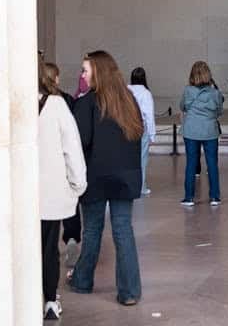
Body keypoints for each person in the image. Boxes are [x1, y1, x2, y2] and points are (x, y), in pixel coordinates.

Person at [69, 50, 143, 305]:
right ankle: (130, 290)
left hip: (97, 174)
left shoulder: (88, 102)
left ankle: (82, 280)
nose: (82, 75)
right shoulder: (128, 99)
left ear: (97, 73)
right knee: (124, 230)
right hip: (125, 175)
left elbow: (81, 140)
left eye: (85, 70)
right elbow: (138, 133)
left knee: (92, 230)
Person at [39, 61, 87, 320]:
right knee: (48, 249)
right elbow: (72, 147)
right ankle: (49, 298)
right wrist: (78, 184)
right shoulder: (57, 105)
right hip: (47, 193)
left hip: (21, 195)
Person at [181, 61, 224, 206]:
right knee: (212, 163)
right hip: (209, 130)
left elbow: (183, 106)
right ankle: (214, 197)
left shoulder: (187, 91)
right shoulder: (215, 93)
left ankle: (189, 197)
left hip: (191, 130)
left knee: (191, 164)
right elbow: (219, 112)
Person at [127, 67, 155, 195]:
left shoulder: (126, 90)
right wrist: (152, 134)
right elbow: (149, 115)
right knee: (141, 159)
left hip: (126, 126)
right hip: (140, 126)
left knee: (127, 158)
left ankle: (128, 185)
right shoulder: (145, 93)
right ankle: (140, 187)